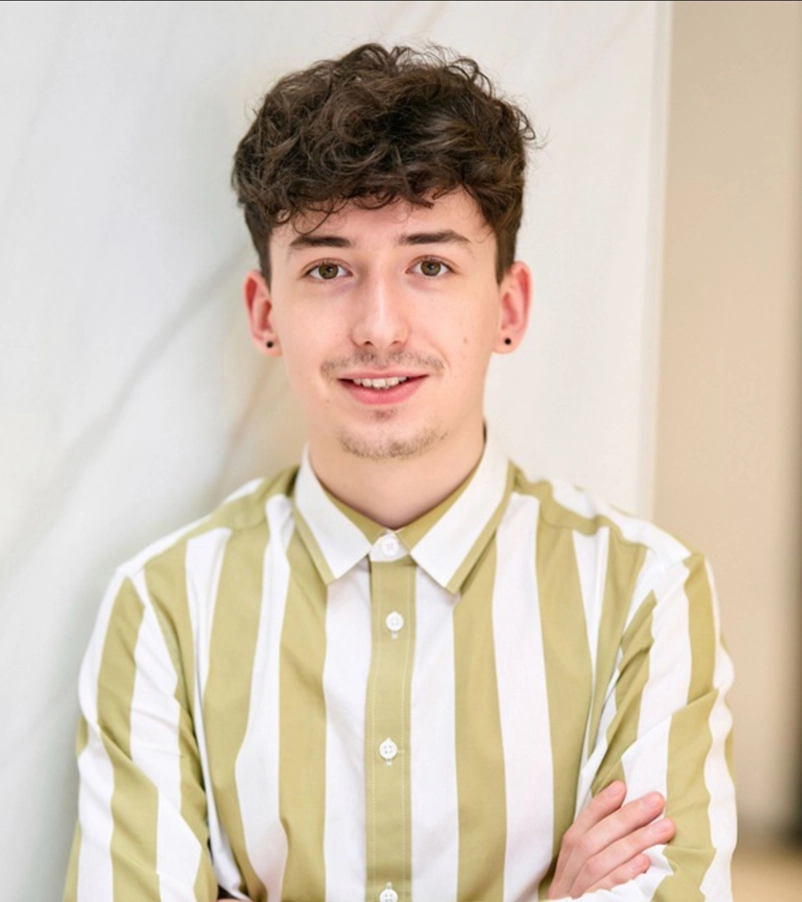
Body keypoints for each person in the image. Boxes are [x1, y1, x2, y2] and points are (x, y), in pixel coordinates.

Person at [63, 43, 735, 902]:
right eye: (330, 268)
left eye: (430, 264)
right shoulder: (162, 610)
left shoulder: (647, 595)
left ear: (509, 307)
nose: (379, 327)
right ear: (267, 314)